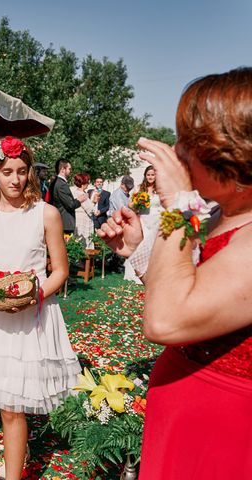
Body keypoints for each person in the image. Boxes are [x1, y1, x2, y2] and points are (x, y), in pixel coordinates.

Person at [98, 68, 252, 479]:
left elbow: (165, 320)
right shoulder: (219, 213)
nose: (177, 152)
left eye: (189, 142)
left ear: (231, 154)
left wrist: (177, 204)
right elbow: (191, 295)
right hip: (181, 410)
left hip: (224, 430)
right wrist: (139, 249)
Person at [0, 136, 81, 480]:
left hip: (33, 318)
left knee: (18, 404)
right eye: (7, 171)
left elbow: (61, 271)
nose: (15, 179)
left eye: (22, 171)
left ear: (30, 174)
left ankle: (13, 466)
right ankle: (16, 456)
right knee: (9, 408)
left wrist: (31, 297)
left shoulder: (47, 213)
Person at [47, 158, 88, 234]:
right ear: (63, 169)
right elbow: (70, 205)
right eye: (69, 169)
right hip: (64, 223)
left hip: (60, 222)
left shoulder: (57, 182)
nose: (70, 171)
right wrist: (79, 200)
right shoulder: (61, 184)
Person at [69, 172, 97, 248]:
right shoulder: (81, 194)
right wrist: (94, 201)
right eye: (87, 182)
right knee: (84, 243)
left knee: (77, 241)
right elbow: (90, 210)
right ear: (83, 183)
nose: (88, 184)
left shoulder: (74, 191)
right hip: (83, 221)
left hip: (77, 219)